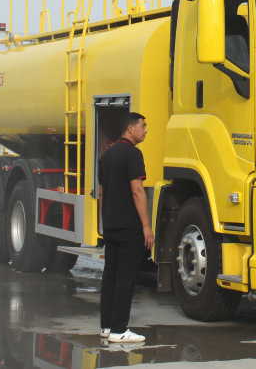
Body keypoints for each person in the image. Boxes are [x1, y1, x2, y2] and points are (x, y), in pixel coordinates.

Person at [98, 112, 154, 343]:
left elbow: (101, 193)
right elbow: (137, 190)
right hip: (129, 227)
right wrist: (147, 226)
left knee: (110, 276)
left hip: (110, 225)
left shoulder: (107, 155)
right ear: (131, 128)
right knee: (125, 278)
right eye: (143, 126)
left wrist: (105, 222)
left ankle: (106, 327)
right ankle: (120, 330)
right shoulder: (133, 154)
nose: (145, 130)